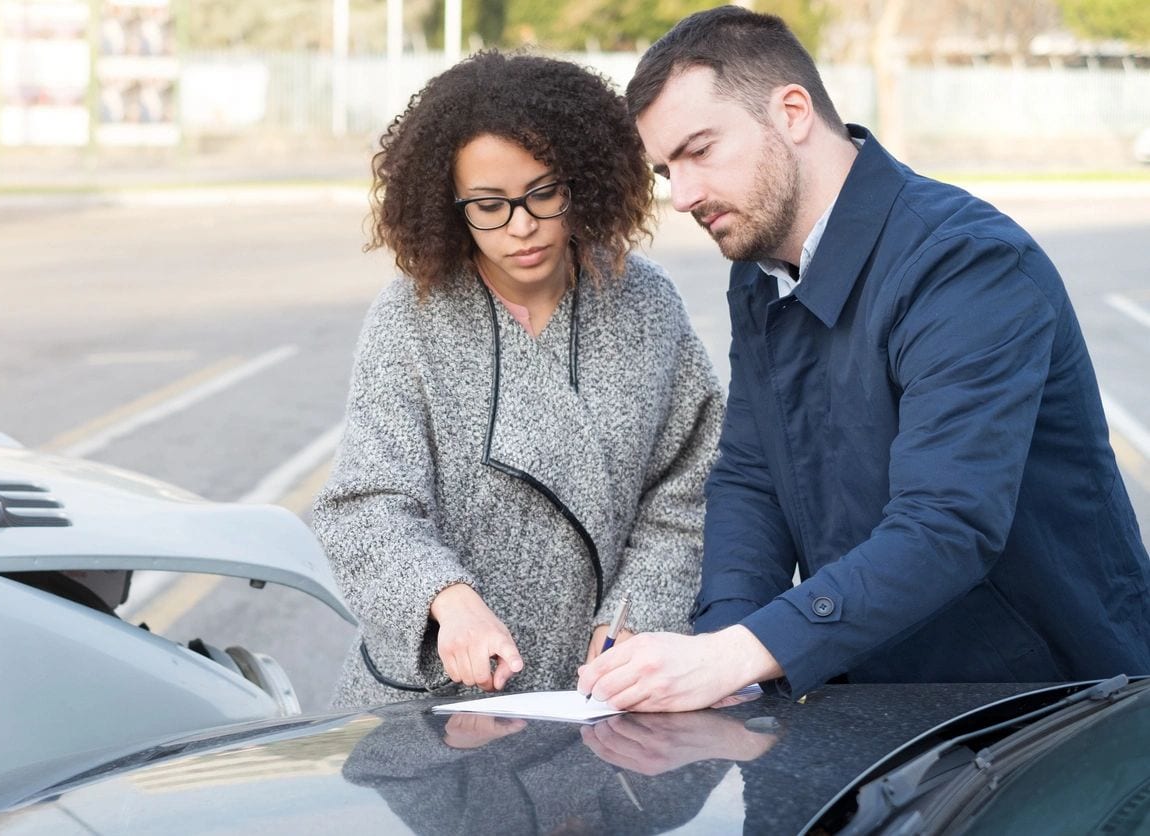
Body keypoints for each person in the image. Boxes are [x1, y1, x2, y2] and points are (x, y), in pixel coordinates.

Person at [579, 6, 1150, 711]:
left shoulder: (966, 264)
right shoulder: (759, 270)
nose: (683, 194)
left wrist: (736, 655)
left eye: (699, 150)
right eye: (667, 168)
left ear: (792, 112)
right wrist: (721, 651)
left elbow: (946, 524)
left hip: (1049, 711)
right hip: (875, 701)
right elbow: (754, 477)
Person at [311, 51, 723, 709]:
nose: (522, 227)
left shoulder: (645, 302)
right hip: (437, 697)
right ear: (448, 207)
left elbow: (688, 490)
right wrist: (448, 600)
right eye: (489, 206)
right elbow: (366, 506)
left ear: (582, 180)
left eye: (542, 193)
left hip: (599, 691)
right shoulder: (409, 317)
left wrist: (633, 616)